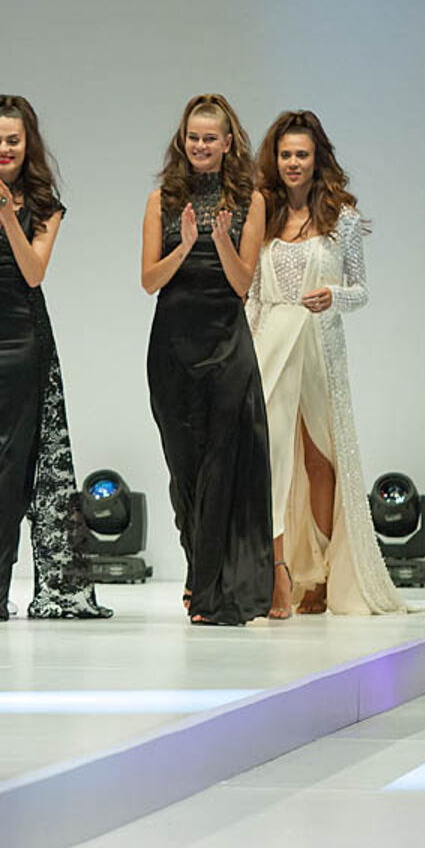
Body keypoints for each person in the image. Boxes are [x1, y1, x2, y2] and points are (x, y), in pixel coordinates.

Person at [0, 95, 111, 620]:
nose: (3, 149)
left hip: (21, 345)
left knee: (10, 472)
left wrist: (11, 221)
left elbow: (34, 273)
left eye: (12, 140)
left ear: (27, 143)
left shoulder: (45, 206)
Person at [247, 110, 406, 617]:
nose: (293, 163)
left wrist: (333, 296)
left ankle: (319, 574)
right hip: (272, 342)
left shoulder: (343, 218)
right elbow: (253, 293)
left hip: (319, 342)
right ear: (274, 159)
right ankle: (276, 570)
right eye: (286, 154)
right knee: (272, 457)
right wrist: (247, 348)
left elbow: (361, 291)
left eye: (302, 154)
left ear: (318, 159)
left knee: (319, 458)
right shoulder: (264, 212)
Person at [141, 93, 276, 626]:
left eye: (209, 138)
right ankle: (199, 572)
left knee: (223, 464)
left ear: (227, 143)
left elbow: (243, 283)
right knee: (185, 471)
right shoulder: (161, 200)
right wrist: (185, 245)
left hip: (226, 344)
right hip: (173, 346)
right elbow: (149, 279)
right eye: (193, 137)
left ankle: (211, 592)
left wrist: (220, 241)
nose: (200, 145)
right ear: (184, 141)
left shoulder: (251, 200)